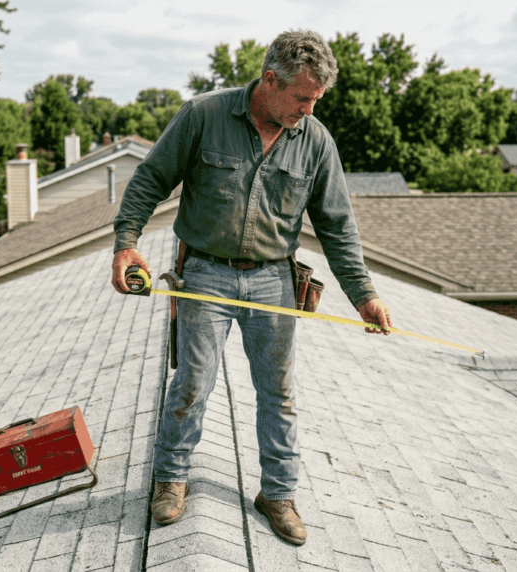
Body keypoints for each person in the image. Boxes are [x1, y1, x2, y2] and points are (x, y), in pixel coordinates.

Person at [110, 30, 392, 546]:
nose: (308, 110)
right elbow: (150, 179)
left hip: (273, 279)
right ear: (269, 80)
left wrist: (365, 295)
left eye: (315, 101)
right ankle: (171, 480)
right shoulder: (203, 116)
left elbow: (337, 226)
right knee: (193, 382)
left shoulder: (316, 141)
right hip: (206, 274)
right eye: (302, 98)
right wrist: (125, 244)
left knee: (278, 392)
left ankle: (278, 494)